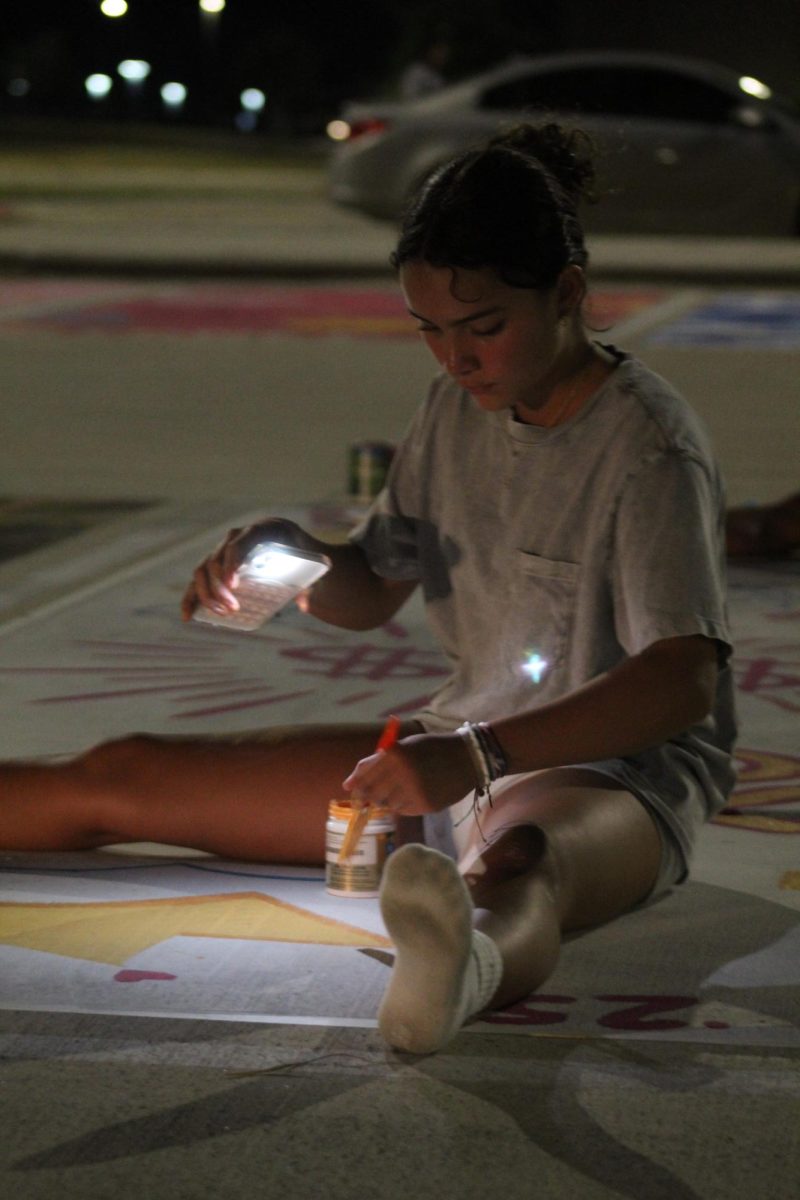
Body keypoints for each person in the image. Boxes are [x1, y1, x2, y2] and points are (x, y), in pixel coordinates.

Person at [0, 123, 737, 1056]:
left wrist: (480, 755)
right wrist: (298, 556)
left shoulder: (647, 449)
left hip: (612, 781)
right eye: (429, 330)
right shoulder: (454, 407)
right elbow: (373, 587)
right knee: (126, 774)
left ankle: (456, 972)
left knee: (522, 865)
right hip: (453, 753)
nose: (455, 360)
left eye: (483, 329)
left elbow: (681, 682)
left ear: (569, 295)